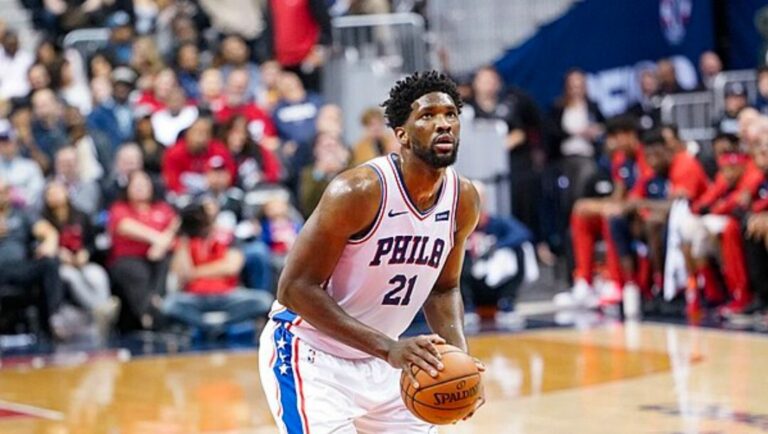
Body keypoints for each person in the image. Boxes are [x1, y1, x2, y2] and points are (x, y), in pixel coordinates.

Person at [258, 71, 484, 433]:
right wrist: (388, 349)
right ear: (402, 135)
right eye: (427, 116)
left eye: (450, 114)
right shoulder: (357, 191)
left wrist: (461, 360)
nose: (443, 124)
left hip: (388, 361)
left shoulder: (463, 200)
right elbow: (294, 289)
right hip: (312, 355)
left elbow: (443, 289)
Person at [163, 201, 273, 336]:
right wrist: (182, 235)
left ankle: (212, 327)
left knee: (263, 301)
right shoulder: (186, 240)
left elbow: (232, 267)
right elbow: (182, 274)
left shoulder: (228, 236)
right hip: (195, 296)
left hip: (228, 294)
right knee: (170, 304)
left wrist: (195, 272)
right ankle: (215, 327)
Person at [39, 181, 119, 338]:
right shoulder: (42, 220)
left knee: (97, 275)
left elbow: (95, 243)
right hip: (60, 265)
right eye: (50, 193)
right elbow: (39, 247)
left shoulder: (81, 215)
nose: (55, 196)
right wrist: (58, 254)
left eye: (58, 191)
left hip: (83, 262)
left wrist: (86, 253)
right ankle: (101, 308)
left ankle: (102, 312)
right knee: (72, 277)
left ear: (67, 193)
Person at [108, 170, 179, 330]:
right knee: (136, 273)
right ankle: (149, 316)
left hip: (160, 257)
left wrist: (161, 244)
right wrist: (157, 239)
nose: (140, 187)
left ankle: (158, 308)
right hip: (128, 258)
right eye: (136, 184)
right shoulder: (120, 208)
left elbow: (175, 227)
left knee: (166, 266)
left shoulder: (163, 208)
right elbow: (124, 226)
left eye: (144, 183)